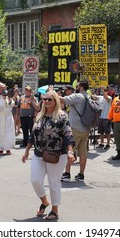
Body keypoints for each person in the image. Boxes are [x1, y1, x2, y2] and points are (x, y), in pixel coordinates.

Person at [21, 91, 76, 221]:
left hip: (56, 155)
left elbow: (68, 135)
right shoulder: (40, 115)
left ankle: (55, 210)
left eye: (49, 100)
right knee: (35, 180)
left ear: (56, 101)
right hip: (39, 153)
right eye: (44, 99)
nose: (46, 101)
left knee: (53, 182)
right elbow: (32, 135)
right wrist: (27, 151)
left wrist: (70, 151)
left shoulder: (62, 116)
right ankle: (45, 201)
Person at [59, 81, 90, 182]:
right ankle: (81, 175)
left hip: (76, 128)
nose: (75, 88)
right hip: (86, 128)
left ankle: (67, 174)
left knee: (70, 150)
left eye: (77, 86)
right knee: (83, 153)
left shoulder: (78, 96)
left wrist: (52, 93)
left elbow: (63, 100)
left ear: (81, 87)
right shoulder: (88, 97)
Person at [0, 82, 15, 155]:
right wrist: (3, 99)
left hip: (8, 117)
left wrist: (9, 99)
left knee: (9, 132)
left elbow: (12, 104)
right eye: (1, 87)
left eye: (4, 87)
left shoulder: (8, 95)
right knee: (0, 133)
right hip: (1, 116)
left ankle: (8, 148)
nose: (3, 89)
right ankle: (1, 148)